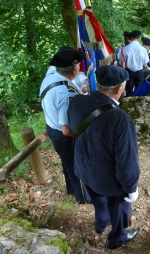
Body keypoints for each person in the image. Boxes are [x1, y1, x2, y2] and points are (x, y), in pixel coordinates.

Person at [67, 65, 140, 249]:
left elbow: (74, 129)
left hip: (83, 167)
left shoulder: (76, 101)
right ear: (119, 89)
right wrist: (131, 188)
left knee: (97, 199)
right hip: (109, 179)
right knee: (118, 207)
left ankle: (100, 224)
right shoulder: (119, 118)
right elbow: (126, 161)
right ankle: (117, 237)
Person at [39, 46, 90, 204]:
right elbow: (67, 130)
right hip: (64, 136)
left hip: (51, 126)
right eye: (78, 65)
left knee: (67, 162)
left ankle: (71, 189)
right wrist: (83, 134)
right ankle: (81, 197)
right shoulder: (67, 93)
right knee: (77, 167)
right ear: (74, 69)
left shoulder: (50, 77)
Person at [122, 30, 149, 96]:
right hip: (139, 72)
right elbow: (145, 64)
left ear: (131, 37)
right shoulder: (143, 49)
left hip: (128, 72)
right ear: (139, 38)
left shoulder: (124, 48)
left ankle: (128, 104)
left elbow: (123, 64)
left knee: (128, 90)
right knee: (139, 90)